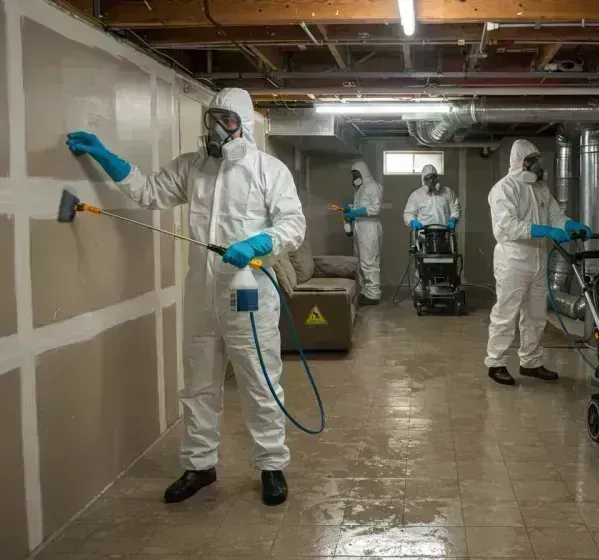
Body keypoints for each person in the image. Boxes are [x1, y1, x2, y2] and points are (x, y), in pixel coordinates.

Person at [65, 88, 305, 506]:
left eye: (226, 120)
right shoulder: (192, 168)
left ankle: (271, 465)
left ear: (243, 125)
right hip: (200, 292)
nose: (216, 129)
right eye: (212, 119)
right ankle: (200, 465)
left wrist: (258, 242)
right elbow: (148, 192)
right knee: (197, 385)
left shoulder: (269, 170)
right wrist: (107, 158)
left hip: (248, 292)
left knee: (260, 383)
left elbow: (293, 224)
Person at [485, 139, 592, 386]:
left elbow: (555, 214)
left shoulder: (541, 188)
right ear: (519, 161)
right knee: (506, 313)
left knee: (535, 315)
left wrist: (567, 224)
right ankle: (496, 362)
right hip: (513, 259)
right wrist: (544, 230)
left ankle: (530, 362)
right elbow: (507, 226)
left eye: (537, 160)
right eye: (531, 160)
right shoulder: (504, 188)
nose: (535, 165)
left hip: (538, 259)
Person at [344, 161, 384, 305]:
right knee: (360, 262)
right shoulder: (360, 188)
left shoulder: (373, 186)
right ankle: (365, 291)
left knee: (369, 261)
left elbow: (375, 208)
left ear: (363, 173)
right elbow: (360, 206)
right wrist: (350, 211)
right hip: (360, 227)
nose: (354, 177)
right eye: (353, 174)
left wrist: (355, 212)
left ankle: (373, 294)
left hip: (369, 228)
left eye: (356, 174)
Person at [403, 164, 461, 232]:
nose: (431, 181)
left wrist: (452, 220)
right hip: (423, 235)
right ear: (423, 180)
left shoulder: (447, 192)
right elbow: (408, 213)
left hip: (444, 233)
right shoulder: (416, 195)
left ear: (437, 178)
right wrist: (412, 221)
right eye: (427, 178)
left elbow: (455, 208)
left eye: (433, 177)